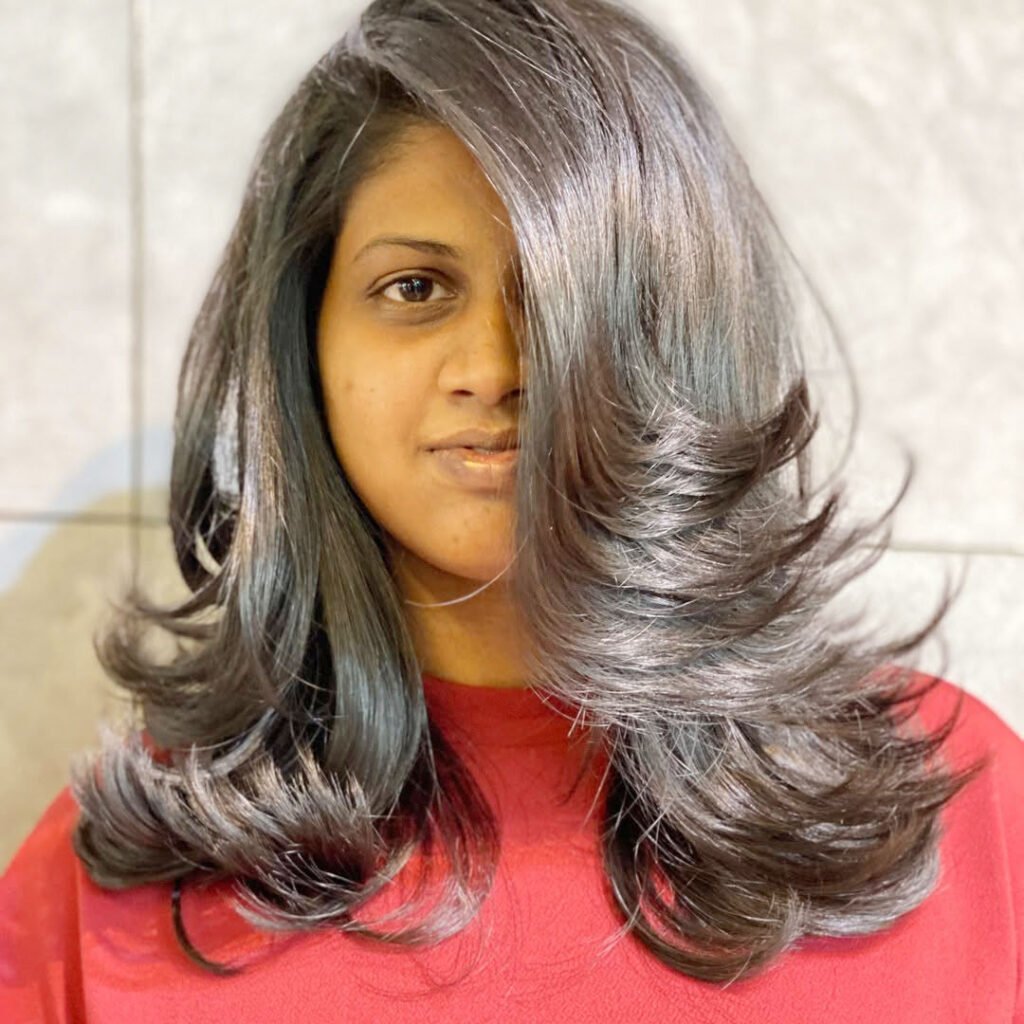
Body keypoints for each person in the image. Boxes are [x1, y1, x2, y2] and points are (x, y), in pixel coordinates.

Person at [2, 0, 1021, 1019]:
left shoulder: (967, 821)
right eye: (414, 288)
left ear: (684, 328)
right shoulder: (120, 885)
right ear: (304, 341)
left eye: (562, 295)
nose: (492, 370)